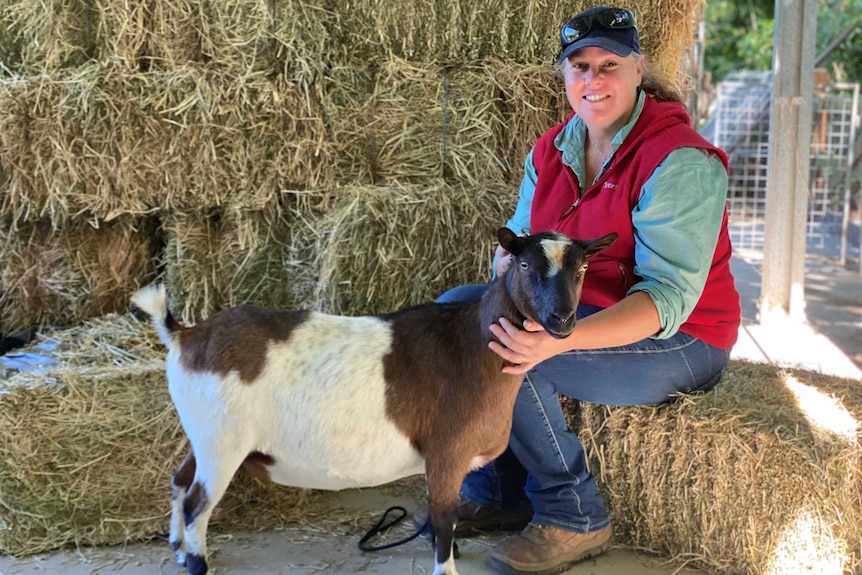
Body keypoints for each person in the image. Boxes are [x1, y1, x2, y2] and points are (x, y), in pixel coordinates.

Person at [414, 5, 741, 575]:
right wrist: (507, 270)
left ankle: (575, 513)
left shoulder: (678, 161)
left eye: (609, 65)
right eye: (580, 66)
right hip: (586, 308)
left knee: (519, 356)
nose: (594, 80)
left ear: (639, 70)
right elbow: (521, 244)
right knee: (456, 313)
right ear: (565, 76)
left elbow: (666, 300)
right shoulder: (551, 152)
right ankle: (498, 485)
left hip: (683, 336)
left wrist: (555, 341)